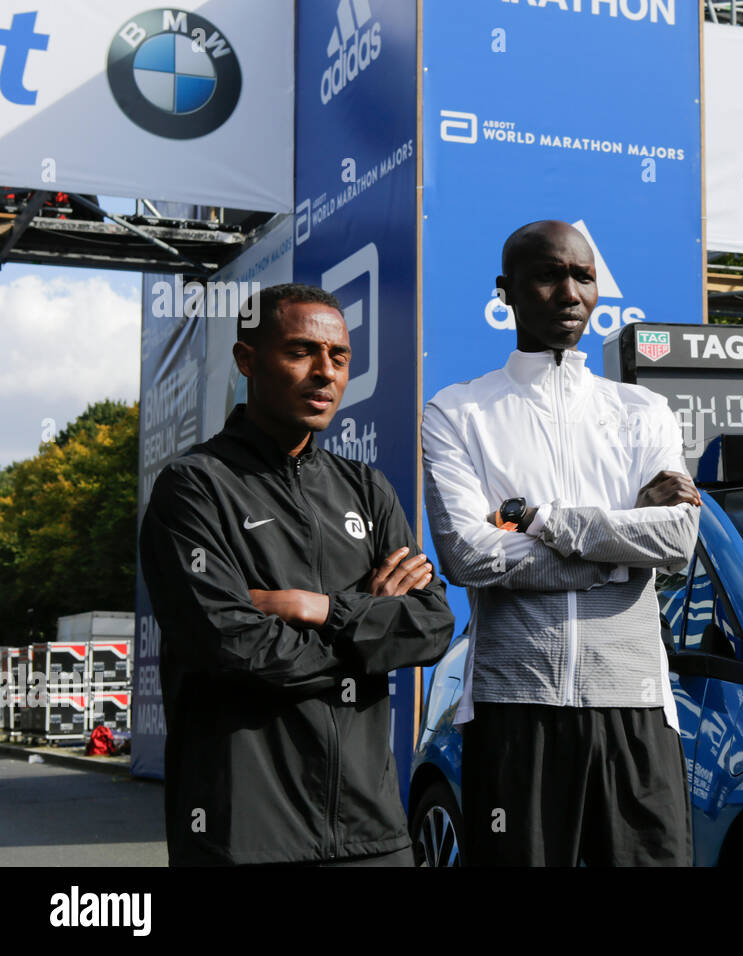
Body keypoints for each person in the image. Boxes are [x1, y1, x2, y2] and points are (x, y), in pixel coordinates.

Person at [140, 283, 455, 866]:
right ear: (246, 361)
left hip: (374, 834)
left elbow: (433, 626)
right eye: (301, 352)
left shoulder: (368, 488)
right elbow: (232, 646)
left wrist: (323, 609)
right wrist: (371, 623)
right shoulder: (193, 487)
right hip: (245, 834)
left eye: (339, 358)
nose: (324, 373)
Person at [420, 220, 700, 866]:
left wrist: (543, 519)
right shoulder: (457, 412)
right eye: (549, 275)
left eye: (584, 277)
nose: (570, 293)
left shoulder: (641, 412)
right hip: (514, 709)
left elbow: (678, 539)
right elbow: (469, 555)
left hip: (636, 709)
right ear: (506, 292)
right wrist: (618, 548)